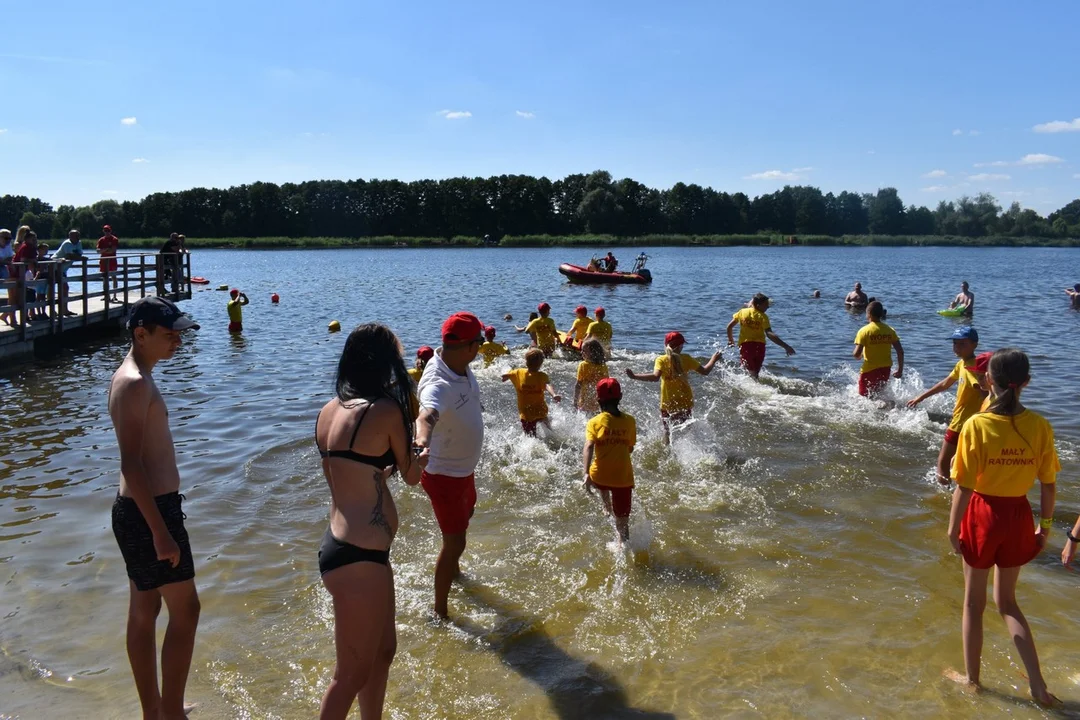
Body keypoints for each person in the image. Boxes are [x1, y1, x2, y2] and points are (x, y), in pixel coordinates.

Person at [314, 323, 427, 720]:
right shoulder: (384, 410)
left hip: (347, 549)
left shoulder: (329, 411)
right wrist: (423, 443)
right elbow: (412, 475)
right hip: (361, 558)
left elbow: (364, 470)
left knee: (382, 652)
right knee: (349, 675)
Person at [945, 348, 1059, 707]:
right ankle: (1039, 688)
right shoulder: (1040, 425)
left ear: (987, 380)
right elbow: (1049, 484)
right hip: (1018, 516)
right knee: (1009, 604)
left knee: (973, 604)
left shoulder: (976, 425)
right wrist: (1046, 527)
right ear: (1026, 382)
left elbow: (963, 486)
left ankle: (972, 681)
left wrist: (952, 530)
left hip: (982, 514)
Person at [107, 296, 201, 720]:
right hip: (150, 513)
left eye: (179, 334)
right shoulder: (135, 382)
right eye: (169, 335)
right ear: (139, 334)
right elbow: (132, 462)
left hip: (139, 510)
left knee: (146, 608)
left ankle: (155, 711)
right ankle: (171, 712)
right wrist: (161, 531)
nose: (177, 342)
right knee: (187, 609)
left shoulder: (138, 376)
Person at [415, 312, 486, 619]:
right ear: (469, 346)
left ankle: (454, 571)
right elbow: (427, 414)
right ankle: (440, 612)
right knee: (455, 541)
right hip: (445, 475)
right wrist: (421, 440)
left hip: (463, 471)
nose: (482, 347)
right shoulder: (438, 383)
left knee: (467, 515)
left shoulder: (453, 362)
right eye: (480, 342)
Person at [906, 326, 985, 484]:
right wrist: (921, 397)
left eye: (963, 344)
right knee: (963, 462)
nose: (957, 347)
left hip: (961, 423)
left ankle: (944, 494)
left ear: (975, 344)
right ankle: (962, 489)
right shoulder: (962, 364)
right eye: (955, 343)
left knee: (943, 462)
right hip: (973, 424)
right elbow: (945, 384)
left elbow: (984, 392)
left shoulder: (972, 368)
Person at [625, 332, 721, 445]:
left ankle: (668, 452)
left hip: (667, 402)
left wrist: (635, 376)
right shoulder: (686, 358)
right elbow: (705, 371)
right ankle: (690, 451)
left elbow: (655, 377)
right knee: (687, 430)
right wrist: (713, 359)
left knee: (667, 432)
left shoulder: (661, 360)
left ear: (666, 345)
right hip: (685, 400)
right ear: (681, 346)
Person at [582, 378, 636, 542]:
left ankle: (606, 505)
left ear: (598, 400)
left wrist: (585, 473)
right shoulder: (629, 421)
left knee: (599, 475)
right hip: (622, 479)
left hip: (600, 476)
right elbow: (630, 447)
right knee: (623, 523)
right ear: (621, 397)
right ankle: (622, 547)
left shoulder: (594, 422)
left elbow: (589, 446)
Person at [726, 293, 795, 379]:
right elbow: (769, 334)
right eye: (766, 305)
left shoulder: (742, 312)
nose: (768, 307)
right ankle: (755, 386)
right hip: (760, 347)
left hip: (746, 346)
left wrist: (731, 340)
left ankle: (751, 387)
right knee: (755, 372)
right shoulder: (763, 317)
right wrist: (786, 346)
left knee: (748, 370)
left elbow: (729, 327)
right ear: (758, 305)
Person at [502, 347, 561, 436]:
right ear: (541, 363)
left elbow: (507, 375)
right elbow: (547, 385)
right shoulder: (542, 376)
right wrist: (554, 394)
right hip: (540, 409)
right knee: (548, 428)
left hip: (526, 412)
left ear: (526, 361)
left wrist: (505, 376)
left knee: (530, 436)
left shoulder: (518, 372)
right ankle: (553, 437)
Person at [852, 301, 904, 398]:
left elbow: (856, 354)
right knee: (879, 394)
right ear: (881, 314)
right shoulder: (890, 330)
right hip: (885, 369)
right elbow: (900, 351)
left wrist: (858, 355)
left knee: (863, 397)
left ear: (869, 314)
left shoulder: (864, 331)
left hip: (869, 370)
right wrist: (900, 370)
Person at [53, 230, 87, 317]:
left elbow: (79, 253)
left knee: (64, 289)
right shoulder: (67, 243)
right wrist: (80, 257)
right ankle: (59, 310)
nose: (72, 237)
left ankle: (64, 310)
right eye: (70, 235)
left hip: (63, 269)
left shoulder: (79, 243)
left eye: (74, 236)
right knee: (57, 288)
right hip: (55, 267)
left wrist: (79, 257)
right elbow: (69, 255)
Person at [574, 338, 609, 413]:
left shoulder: (583, 365)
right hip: (600, 402)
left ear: (593, 352)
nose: (581, 352)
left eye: (584, 351)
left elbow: (578, 384)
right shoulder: (603, 366)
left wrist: (575, 400)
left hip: (585, 402)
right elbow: (607, 384)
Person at [407, 346, 434, 417]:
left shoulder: (410, 374)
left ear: (418, 360)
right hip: (431, 413)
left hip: (413, 414)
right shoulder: (436, 374)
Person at [98, 224, 120, 302]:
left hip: (112, 261)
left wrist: (103, 250)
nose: (107, 232)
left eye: (108, 230)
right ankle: (106, 295)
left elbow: (113, 250)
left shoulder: (114, 239)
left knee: (114, 277)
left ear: (110, 231)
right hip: (103, 261)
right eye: (105, 230)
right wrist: (107, 249)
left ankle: (114, 296)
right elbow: (98, 251)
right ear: (103, 231)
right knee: (105, 278)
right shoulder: (101, 240)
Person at [0, 228, 14, 326]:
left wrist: (5, 261)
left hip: (3, 268)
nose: (8, 240)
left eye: (10, 238)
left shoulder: (8, 246)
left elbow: (11, 257)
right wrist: (5, 261)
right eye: (6, 238)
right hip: (2, 268)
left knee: (14, 288)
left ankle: (6, 314)